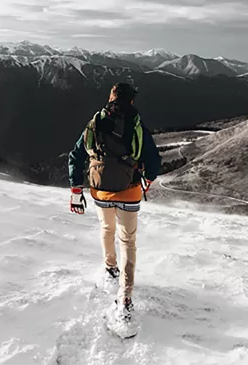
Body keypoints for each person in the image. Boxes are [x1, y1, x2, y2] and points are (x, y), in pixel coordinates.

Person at [68, 82, 161, 320]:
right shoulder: (136, 124)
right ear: (131, 100)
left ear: (110, 97)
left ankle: (110, 268)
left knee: (107, 229)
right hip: (129, 191)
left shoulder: (96, 122)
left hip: (100, 190)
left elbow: (76, 155)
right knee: (127, 241)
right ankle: (125, 296)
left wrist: (76, 188)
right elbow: (153, 159)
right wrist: (148, 179)